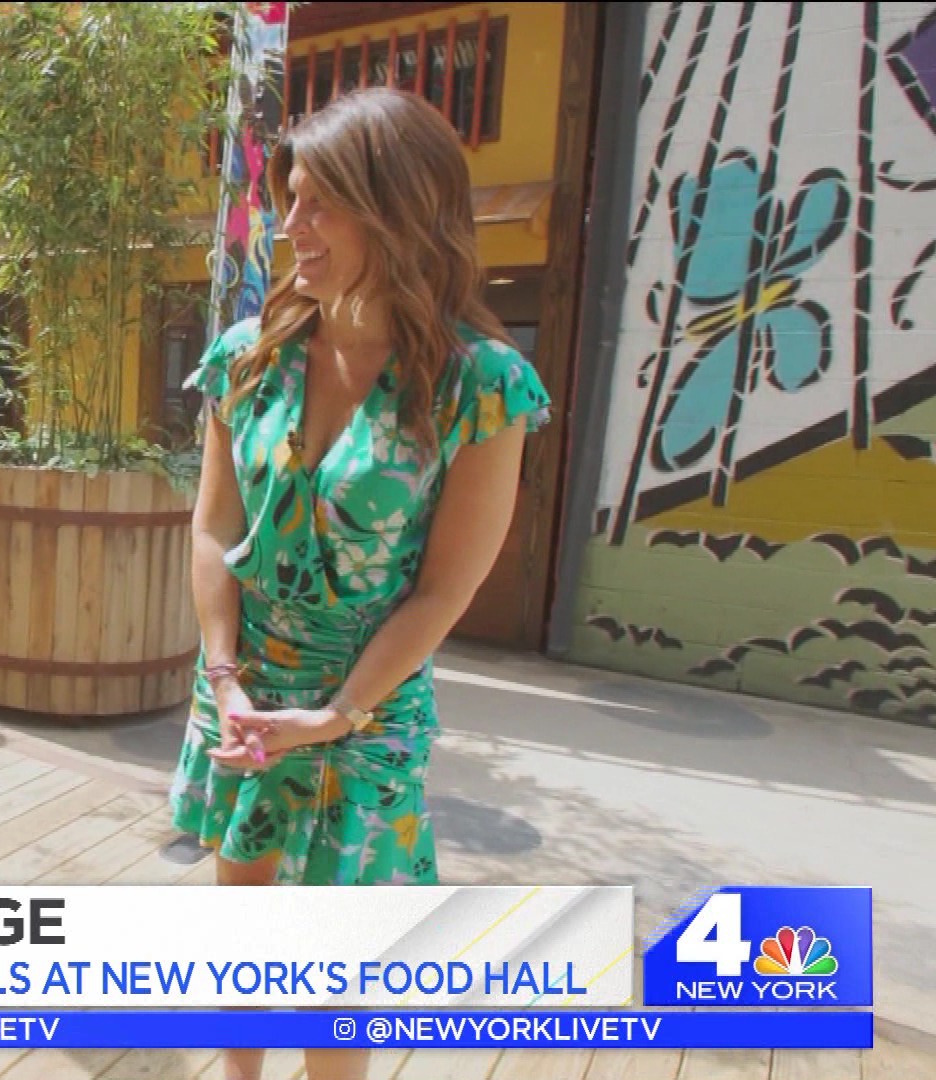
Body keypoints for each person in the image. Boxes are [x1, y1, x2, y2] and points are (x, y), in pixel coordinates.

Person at [168, 87, 552, 1080]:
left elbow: (443, 592)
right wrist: (223, 677)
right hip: (245, 688)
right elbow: (212, 527)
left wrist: (336, 713)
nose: (290, 225)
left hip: (366, 707)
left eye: (321, 204)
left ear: (401, 210)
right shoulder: (248, 357)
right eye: (289, 199)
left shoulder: (479, 383)